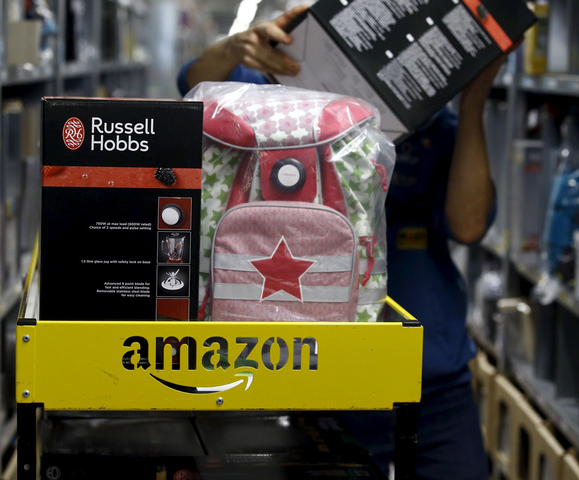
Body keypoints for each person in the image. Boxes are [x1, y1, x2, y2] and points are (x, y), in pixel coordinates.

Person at [178, 6, 517, 479]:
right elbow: (194, 86)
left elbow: (469, 225)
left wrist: (474, 97)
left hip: (429, 372)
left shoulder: (434, 125)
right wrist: (238, 47)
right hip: (314, 369)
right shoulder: (271, 99)